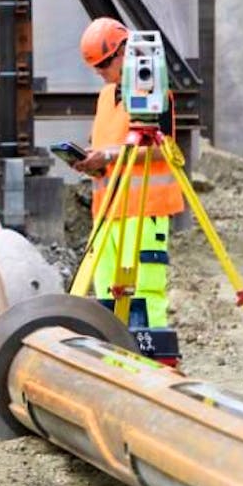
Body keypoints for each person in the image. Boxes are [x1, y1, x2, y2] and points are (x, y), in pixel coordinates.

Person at [72, 18, 184, 330]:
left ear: (126, 52)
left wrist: (110, 154)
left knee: (144, 294)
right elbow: (107, 148)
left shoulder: (156, 93)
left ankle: (154, 363)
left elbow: (165, 149)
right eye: (96, 66)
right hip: (108, 212)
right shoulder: (105, 98)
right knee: (108, 294)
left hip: (145, 212)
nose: (102, 72)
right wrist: (92, 160)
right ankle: (116, 361)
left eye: (106, 63)